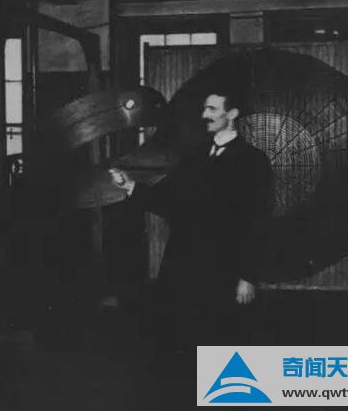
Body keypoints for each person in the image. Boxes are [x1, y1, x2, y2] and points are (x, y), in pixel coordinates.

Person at [110, 88, 273, 372]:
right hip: (183, 267)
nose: (205, 115)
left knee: (222, 347)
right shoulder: (194, 157)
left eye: (212, 109)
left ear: (232, 114)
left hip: (224, 270)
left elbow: (257, 222)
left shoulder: (253, 161)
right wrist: (131, 186)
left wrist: (248, 276)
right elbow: (168, 200)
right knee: (180, 346)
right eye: (204, 109)